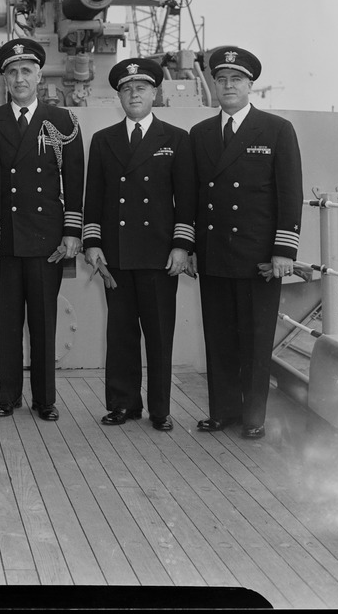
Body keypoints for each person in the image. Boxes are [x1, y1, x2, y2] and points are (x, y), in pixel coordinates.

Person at [190, 46, 303, 439]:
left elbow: (289, 195)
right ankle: (223, 412)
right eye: (221, 79)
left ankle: (254, 416)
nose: (228, 86)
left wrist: (284, 251)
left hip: (258, 255)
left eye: (235, 79)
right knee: (218, 337)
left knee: (255, 341)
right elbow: (192, 197)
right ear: (214, 86)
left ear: (250, 84)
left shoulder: (275, 130)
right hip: (214, 252)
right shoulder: (200, 133)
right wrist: (189, 247)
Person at [82, 58, 196, 432]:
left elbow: (187, 201)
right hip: (116, 254)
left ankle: (160, 409)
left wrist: (182, 246)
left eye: (142, 88)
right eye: (127, 89)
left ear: (155, 93)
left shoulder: (177, 140)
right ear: (119, 95)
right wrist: (92, 243)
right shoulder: (103, 141)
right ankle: (122, 404)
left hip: (160, 255)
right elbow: (93, 199)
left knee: (160, 336)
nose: (134, 94)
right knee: (121, 333)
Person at [0, 38, 84, 421]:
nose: (19, 78)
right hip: (3, 240)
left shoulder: (63, 122)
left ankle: (45, 399)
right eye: (11, 72)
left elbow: (74, 181)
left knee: (43, 322)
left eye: (26, 70)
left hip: (46, 240)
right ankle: (8, 395)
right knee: (6, 321)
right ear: (3, 78)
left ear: (39, 74)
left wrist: (72, 233)